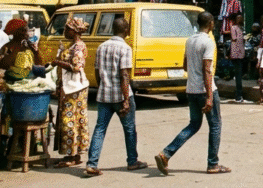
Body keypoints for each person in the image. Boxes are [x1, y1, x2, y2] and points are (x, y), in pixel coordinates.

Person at [155, 11, 230, 175]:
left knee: (194, 124)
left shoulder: (190, 40)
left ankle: (166, 153)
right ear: (210, 24)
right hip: (204, 90)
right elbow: (207, 70)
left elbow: (185, 65)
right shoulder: (208, 42)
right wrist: (210, 96)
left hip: (191, 90)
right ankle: (213, 164)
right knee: (215, 126)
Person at [86, 18, 146, 176]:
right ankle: (132, 161)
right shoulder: (125, 48)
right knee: (130, 129)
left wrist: (101, 87)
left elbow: (97, 72)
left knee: (100, 129)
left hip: (104, 95)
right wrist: (126, 99)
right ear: (126, 30)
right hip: (120, 96)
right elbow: (124, 75)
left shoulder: (101, 47)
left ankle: (92, 164)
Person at [51, 18, 90, 168]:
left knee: (70, 121)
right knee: (72, 120)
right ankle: (73, 154)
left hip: (75, 89)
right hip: (69, 87)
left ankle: (72, 155)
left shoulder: (79, 47)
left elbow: (76, 67)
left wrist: (57, 62)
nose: (65, 32)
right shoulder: (72, 45)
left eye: (67, 29)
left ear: (74, 31)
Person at [229, 14, 247, 103]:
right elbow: (234, 38)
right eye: (238, 18)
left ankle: (239, 94)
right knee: (238, 74)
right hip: (236, 53)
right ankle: (239, 95)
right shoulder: (234, 28)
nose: (240, 19)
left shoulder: (242, 28)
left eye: (241, 18)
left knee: (239, 73)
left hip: (241, 52)